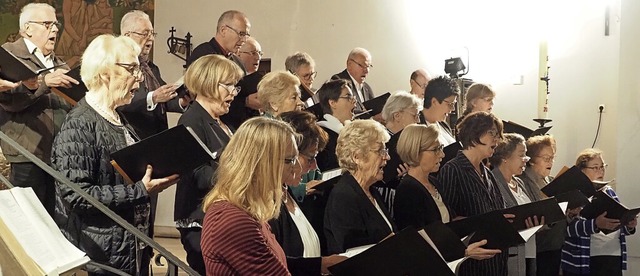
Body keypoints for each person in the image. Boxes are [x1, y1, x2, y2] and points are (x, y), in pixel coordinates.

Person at [51, 34, 179, 275]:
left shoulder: (118, 118)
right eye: (132, 69)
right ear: (104, 73)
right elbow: (78, 195)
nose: (140, 78)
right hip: (101, 254)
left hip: (128, 247)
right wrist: (140, 190)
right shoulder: (79, 124)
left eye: (139, 69)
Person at [0, 3, 79, 215]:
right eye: (47, 24)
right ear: (27, 28)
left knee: (55, 220)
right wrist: (45, 82)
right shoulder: (9, 55)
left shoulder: (59, 63)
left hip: (58, 155)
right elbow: (9, 100)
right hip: (27, 153)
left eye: (56, 24)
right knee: (31, 218)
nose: (55, 29)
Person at [174, 54, 244, 275]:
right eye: (229, 86)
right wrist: (241, 175)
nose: (233, 92)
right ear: (209, 84)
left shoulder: (223, 123)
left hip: (224, 217)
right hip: (202, 224)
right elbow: (198, 174)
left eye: (236, 86)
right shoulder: (191, 120)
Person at [200, 117, 296, 275]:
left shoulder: (246, 210)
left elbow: (270, 260)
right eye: (290, 160)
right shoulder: (233, 220)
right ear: (261, 162)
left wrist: (320, 264)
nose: (295, 168)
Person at [393, 124, 502, 261]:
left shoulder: (434, 182)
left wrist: (491, 221)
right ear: (416, 152)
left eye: (441, 148)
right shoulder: (408, 190)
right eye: (436, 150)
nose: (442, 155)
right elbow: (417, 242)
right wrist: (463, 252)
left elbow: (449, 223)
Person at [269, 110, 346, 275]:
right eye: (310, 158)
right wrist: (321, 264)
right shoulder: (266, 206)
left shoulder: (285, 191)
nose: (314, 167)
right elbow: (273, 265)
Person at [438, 111, 508, 275]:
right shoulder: (452, 169)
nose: (497, 140)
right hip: (472, 263)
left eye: (498, 134)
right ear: (474, 134)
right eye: (492, 133)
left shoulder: (487, 172)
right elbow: (449, 221)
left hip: (496, 261)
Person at [324, 119, 396, 254]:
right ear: (357, 157)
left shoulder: (372, 190)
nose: (387, 157)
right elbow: (353, 254)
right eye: (380, 151)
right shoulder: (343, 197)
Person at [561, 149, 637, 276]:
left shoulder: (610, 192)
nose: (601, 171)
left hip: (613, 255)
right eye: (595, 167)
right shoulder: (574, 194)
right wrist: (596, 224)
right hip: (586, 259)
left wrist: (628, 224)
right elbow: (567, 230)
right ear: (582, 170)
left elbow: (617, 224)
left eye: (602, 166)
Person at [118, 10, 188, 140]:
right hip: (133, 137)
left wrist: (182, 101)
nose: (151, 38)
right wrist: (153, 97)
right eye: (145, 33)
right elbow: (120, 101)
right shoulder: (118, 66)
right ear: (127, 35)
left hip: (156, 136)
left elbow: (163, 99)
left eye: (152, 33)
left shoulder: (151, 68)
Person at [490, 133, 539, 276]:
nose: (526, 160)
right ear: (505, 157)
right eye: (521, 155)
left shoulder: (520, 182)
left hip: (528, 250)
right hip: (509, 254)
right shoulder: (492, 182)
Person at [520, 135, 565, 276]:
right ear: (532, 159)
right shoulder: (523, 182)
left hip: (555, 246)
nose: (550, 161)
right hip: (537, 249)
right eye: (546, 158)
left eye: (552, 157)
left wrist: (569, 213)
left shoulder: (551, 181)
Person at [377, 91, 422, 213]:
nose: (418, 121)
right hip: (386, 201)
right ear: (397, 116)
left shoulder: (409, 141)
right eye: (415, 116)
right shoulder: (379, 141)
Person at [315, 79, 356, 171]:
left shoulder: (349, 132)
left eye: (353, 96)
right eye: (348, 97)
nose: (354, 101)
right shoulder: (320, 134)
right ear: (332, 103)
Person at [223, 36, 263, 129]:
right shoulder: (228, 77)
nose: (258, 57)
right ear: (238, 54)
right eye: (253, 53)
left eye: (260, 53)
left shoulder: (260, 79)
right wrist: (245, 102)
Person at [330, 47, 374, 113]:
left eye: (368, 66)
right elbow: (343, 110)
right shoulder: (338, 81)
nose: (366, 71)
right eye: (362, 66)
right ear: (349, 64)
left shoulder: (367, 87)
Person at [420, 76, 458, 147]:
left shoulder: (444, 125)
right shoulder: (417, 127)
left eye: (454, 104)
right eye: (450, 104)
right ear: (434, 102)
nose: (453, 109)